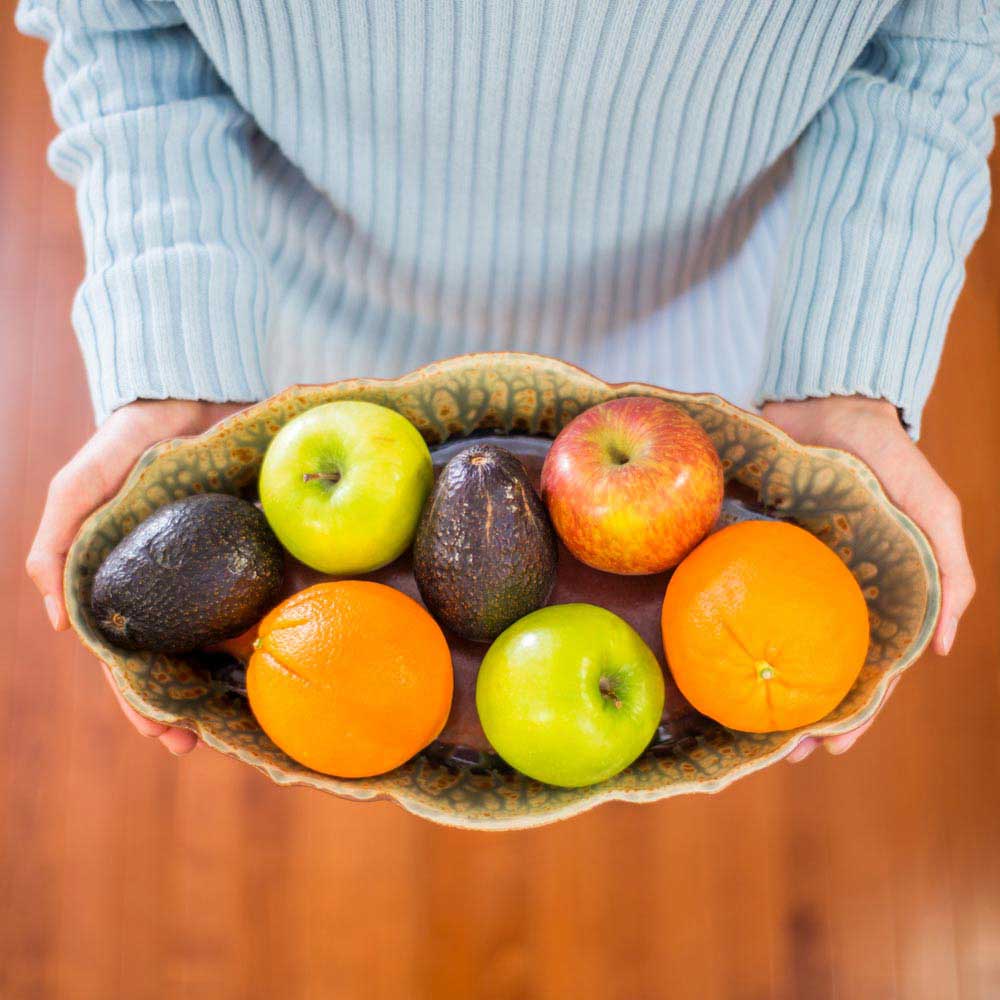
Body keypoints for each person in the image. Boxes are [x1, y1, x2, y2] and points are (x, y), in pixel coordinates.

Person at [20, 0, 995, 759]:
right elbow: (125, 26)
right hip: (306, 314)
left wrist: (847, 361)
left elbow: (937, 36)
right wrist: (176, 355)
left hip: (698, 316)